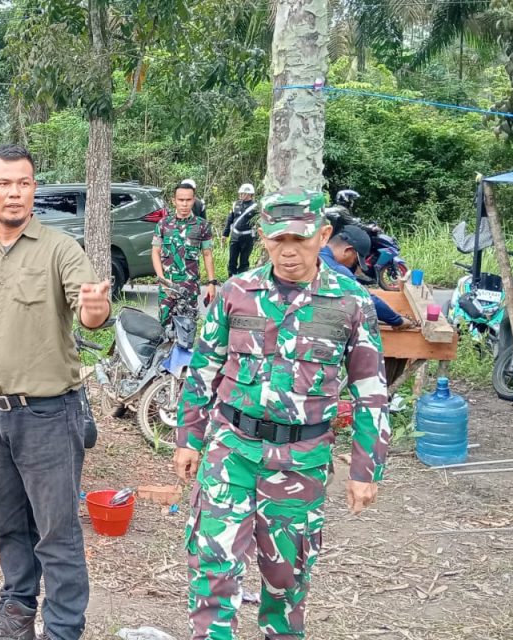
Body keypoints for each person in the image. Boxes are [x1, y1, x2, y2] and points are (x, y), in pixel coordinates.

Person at [172, 188, 390, 640]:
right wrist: (188, 438)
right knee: (212, 570)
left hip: (301, 459)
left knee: (286, 583)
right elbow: (203, 369)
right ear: (263, 239)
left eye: (301, 239)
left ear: (323, 235)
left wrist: (367, 467)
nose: (288, 252)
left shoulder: (350, 302)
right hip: (231, 451)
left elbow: (371, 391)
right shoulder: (237, 293)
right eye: (276, 240)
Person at [0, 144, 112, 640]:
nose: (15, 193)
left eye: (24, 183)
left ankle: (62, 629)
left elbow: (89, 311)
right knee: (9, 525)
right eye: (5, 183)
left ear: (34, 189)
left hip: (49, 415)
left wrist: (95, 308)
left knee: (57, 532)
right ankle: (15, 614)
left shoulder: (60, 249)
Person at [322, 227, 419, 330]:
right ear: (347, 250)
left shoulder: (313, 252)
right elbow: (367, 300)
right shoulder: (335, 269)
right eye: (355, 260)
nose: (353, 265)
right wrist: (398, 321)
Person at [153, 182, 217, 328]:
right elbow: (155, 252)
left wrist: (212, 283)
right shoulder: (163, 224)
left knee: (187, 331)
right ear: (174, 200)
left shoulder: (202, 226)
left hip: (189, 288)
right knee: (164, 330)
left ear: (193, 200)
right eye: (181, 200)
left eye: (188, 200)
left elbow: (207, 254)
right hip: (167, 288)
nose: (184, 204)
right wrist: (162, 281)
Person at [222, 183, 258, 276]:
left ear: (250, 194)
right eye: (240, 193)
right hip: (235, 236)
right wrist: (225, 234)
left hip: (247, 237)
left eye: (243, 193)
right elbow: (230, 219)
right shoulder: (236, 204)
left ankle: (242, 282)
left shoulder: (255, 207)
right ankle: (231, 280)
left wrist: (257, 238)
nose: (241, 195)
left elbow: (259, 223)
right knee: (232, 259)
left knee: (244, 261)